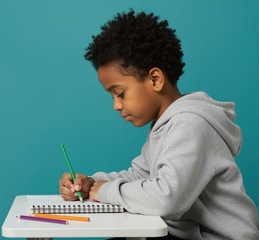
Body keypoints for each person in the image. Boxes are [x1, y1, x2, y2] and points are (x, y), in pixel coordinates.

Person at [58, 9, 259, 240]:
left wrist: (104, 191)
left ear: (155, 79)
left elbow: (166, 198)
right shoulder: (166, 125)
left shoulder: (190, 125)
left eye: (120, 93)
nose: (116, 105)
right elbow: (140, 175)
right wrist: (91, 183)